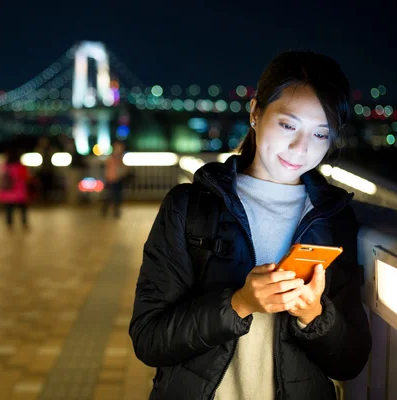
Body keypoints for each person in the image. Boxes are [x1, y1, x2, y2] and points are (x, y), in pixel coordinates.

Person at [129, 51, 372, 400]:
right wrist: (238, 304)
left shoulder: (334, 218)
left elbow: (349, 363)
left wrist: (313, 315)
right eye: (288, 125)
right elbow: (149, 339)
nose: (300, 148)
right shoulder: (190, 206)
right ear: (256, 112)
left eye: (321, 134)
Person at [0, 148, 30, 229]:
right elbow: (26, 177)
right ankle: (24, 223)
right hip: (20, 191)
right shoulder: (21, 166)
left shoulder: (5, 166)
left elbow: (1, 177)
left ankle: (9, 224)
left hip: (8, 192)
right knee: (22, 208)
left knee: (8, 209)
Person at [102, 141, 129, 218]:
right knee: (110, 196)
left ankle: (115, 210)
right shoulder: (111, 159)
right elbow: (108, 170)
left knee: (118, 196)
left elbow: (124, 169)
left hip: (119, 179)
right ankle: (106, 209)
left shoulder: (120, 158)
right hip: (111, 180)